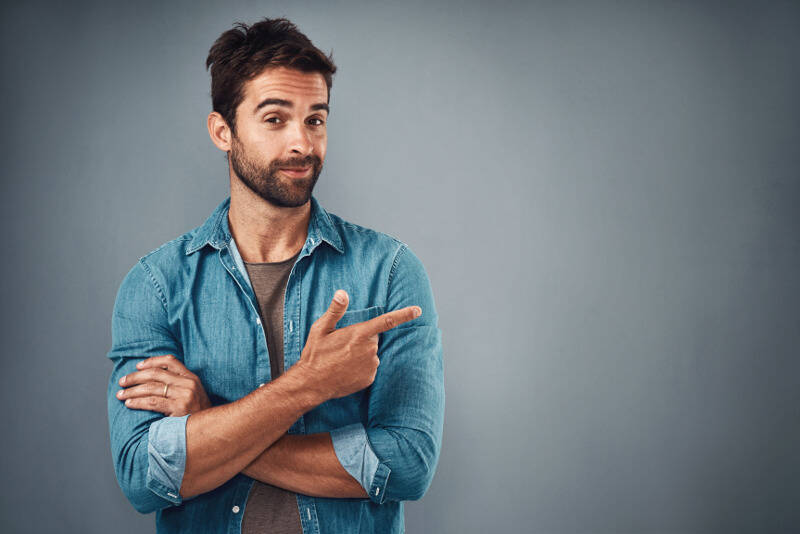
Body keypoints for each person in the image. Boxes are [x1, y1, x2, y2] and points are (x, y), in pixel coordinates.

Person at [105, 17, 444, 534]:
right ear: (223, 131)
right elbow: (144, 476)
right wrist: (309, 387)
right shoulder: (156, 285)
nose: (302, 144)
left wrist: (207, 421)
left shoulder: (390, 271)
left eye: (315, 120)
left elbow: (406, 464)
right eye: (275, 119)